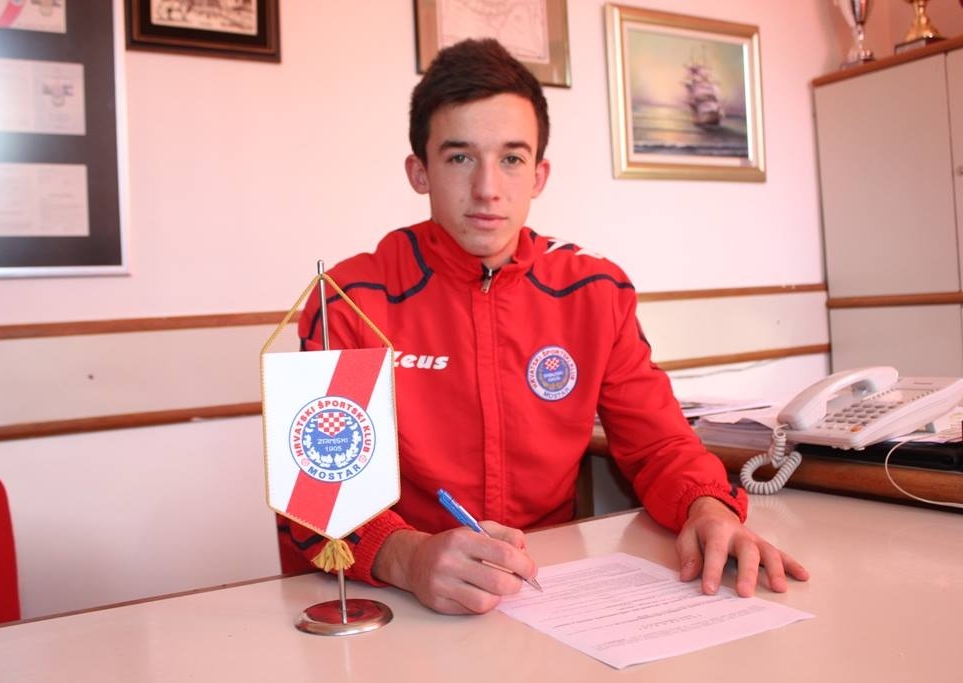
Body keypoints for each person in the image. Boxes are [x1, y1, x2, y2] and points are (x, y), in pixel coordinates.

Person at [282, 38, 809, 615]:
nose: (488, 188)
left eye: (511, 159)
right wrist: (408, 557)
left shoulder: (595, 290)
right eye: (459, 158)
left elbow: (659, 445)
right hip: (394, 599)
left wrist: (708, 508)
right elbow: (316, 500)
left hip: (549, 592)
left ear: (539, 174)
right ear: (419, 172)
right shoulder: (348, 299)